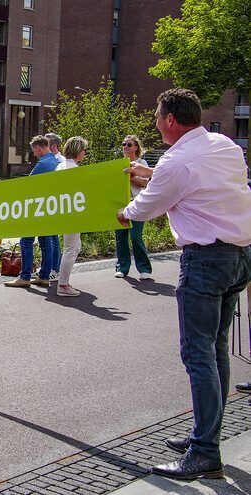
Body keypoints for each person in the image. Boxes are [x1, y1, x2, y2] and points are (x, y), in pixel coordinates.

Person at [119, 88, 251, 480]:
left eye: (158, 116)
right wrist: (150, 175)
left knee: (198, 355)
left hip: (206, 261)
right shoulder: (223, 144)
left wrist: (124, 211)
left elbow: (147, 206)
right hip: (240, 257)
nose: (156, 123)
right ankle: (205, 434)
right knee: (217, 349)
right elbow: (190, 182)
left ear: (171, 120)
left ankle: (205, 453)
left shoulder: (176, 161)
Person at [4, 135, 58, 288]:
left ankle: (25, 276)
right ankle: (44, 276)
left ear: (39, 149)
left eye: (34, 151)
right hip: (49, 207)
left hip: (36, 209)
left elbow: (28, 185)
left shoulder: (43, 164)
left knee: (25, 241)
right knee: (46, 242)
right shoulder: (56, 161)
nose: (34, 154)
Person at [115, 135, 152, 280]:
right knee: (121, 237)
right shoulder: (119, 163)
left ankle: (144, 268)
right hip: (121, 203)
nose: (125, 147)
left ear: (136, 147)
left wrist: (131, 176)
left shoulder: (142, 163)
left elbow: (145, 184)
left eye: (129, 145)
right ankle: (122, 267)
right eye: (124, 144)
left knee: (136, 237)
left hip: (137, 203)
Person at [55, 136, 88, 297]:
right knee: (72, 248)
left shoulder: (61, 166)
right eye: (83, 150)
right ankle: (63, 285)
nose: (84, 153)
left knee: (74, 247)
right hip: (71, 214)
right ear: (77, 150)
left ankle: (63, 280)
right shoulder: (74, 169)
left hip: (63, 212)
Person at [45, 133, 64, 281]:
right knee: (48, 237)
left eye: (46, 144)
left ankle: (55, 269)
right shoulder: (48, 159)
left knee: (54, 237)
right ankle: (48, 267)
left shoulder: (60, 161)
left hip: (56, 203)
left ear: (53, 147)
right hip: (47, 202)